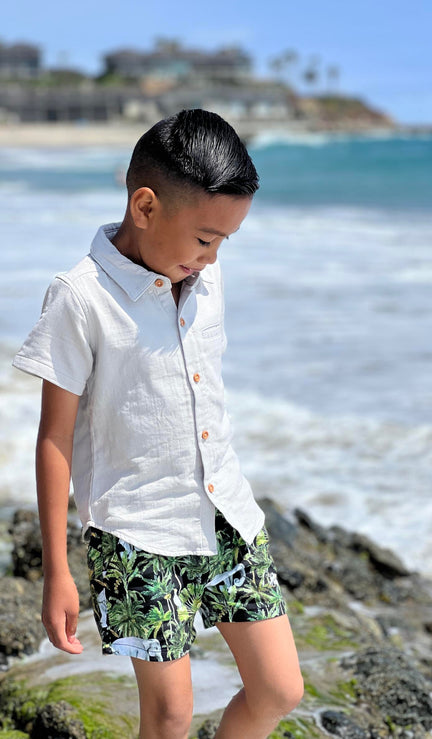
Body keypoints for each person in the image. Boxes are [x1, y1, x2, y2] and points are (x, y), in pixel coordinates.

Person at [12, 109, 304, 739]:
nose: (212, 257)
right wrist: (57, 571)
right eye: (204, 239)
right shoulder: (79, 296)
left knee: (280, 689)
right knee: (169, 716)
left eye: (225, 242)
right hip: (134, 534)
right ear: (145, 207)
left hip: (225, 513)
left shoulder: (204, 277)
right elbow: (54, 437)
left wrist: (204, 255)